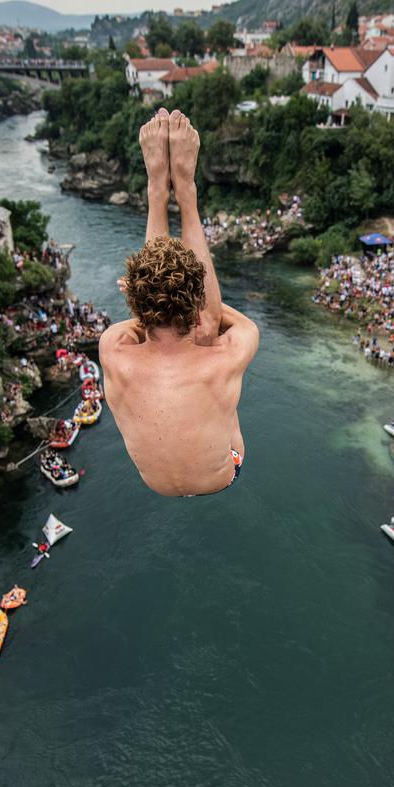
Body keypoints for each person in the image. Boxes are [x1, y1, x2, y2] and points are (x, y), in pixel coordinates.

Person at [101, 110, 259, 497]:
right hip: (224, 472)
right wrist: (194, 306)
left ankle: (157, 188)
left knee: (179, 327)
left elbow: (150, 315)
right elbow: (218, 318)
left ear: (136, 303)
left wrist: (148, 293)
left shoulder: (111, 347)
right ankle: (186, 192)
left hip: (153, 482)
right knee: (210, 331)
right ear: (195, 308)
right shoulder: (227, 355)